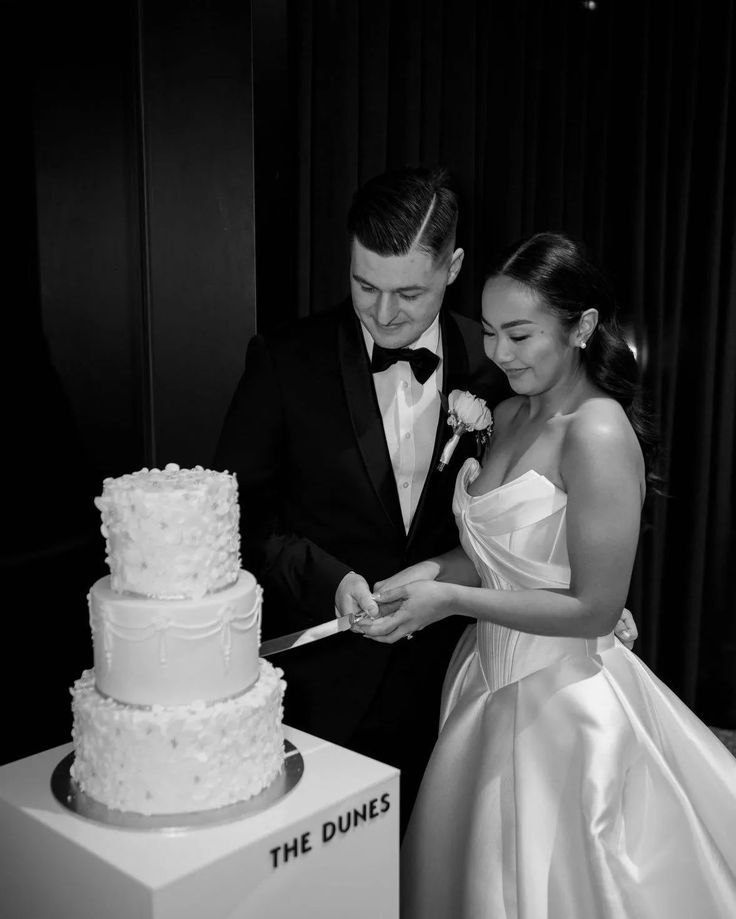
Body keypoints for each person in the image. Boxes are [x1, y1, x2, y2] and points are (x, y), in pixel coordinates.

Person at [214, 169, 634, 832]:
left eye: (408, 292)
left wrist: (563, 585)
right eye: (364, 285)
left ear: (453, 266)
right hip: (327, 685)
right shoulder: (283, 361)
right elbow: (234, 521)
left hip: (456, 678)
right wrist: (332, 580)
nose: (382, 313)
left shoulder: (495, 356)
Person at [358, 230, 736, 917]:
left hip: (563, 701)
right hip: (482, 682)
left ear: (582, 327)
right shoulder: (505, 413)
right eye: (492, 331)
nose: (498, 353)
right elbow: (493, 556)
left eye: (520, 334)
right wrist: (413, 578)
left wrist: (448, 600)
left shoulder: (597, 431)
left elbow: (595, 607)